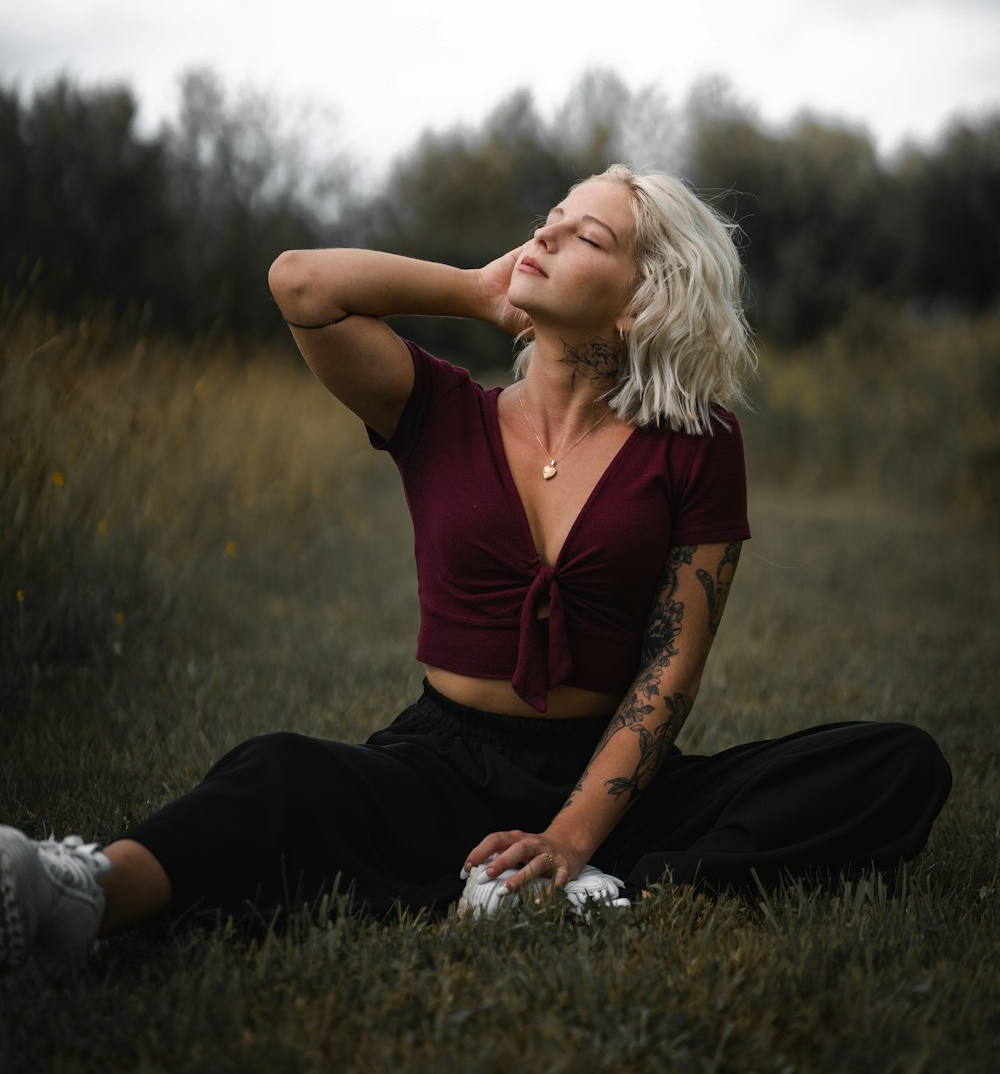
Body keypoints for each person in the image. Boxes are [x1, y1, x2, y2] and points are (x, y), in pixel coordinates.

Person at [0, 164, 952, 978]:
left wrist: (574, 836)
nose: (542, 233)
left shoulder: (695, 443)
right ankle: (83, 889)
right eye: (548, 217)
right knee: (277, 774)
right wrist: (475, 290)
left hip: (614, 780)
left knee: (893, 764)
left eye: (583, 236)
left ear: (640, 300)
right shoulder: (438, 408)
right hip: (442, 764)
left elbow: (671, 669)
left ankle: (590, 889)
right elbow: (299, 284)